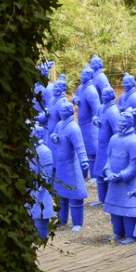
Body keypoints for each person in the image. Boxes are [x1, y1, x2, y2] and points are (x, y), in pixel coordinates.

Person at [103, 110, 136, 244]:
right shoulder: (113, 139)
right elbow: (108, 158)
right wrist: (108, 172)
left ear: (130, 123)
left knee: (128, 210)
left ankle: (131, 235)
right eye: (119, 121)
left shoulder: (135, 141)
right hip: (114, 181)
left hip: (128, 182)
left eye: (123, 122)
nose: (120, 124)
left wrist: (121, 175)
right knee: (114, 209)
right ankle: (118, 232)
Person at [51, 99, 90, 232]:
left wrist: (84, 160)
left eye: (63, 111)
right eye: (60, 111)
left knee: (75, 195)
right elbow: (54, 135)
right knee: (62, 195)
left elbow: (80, 146)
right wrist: (54, 137)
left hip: (71, 167)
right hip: (61, 166)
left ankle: (77, 223)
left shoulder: (73, 127)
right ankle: (62, 220)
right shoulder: (60, 124)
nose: (61, 113)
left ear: (69, 112)